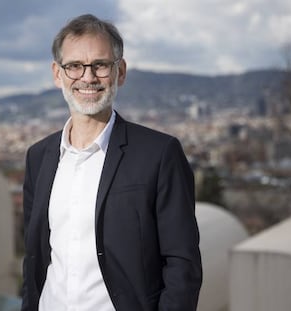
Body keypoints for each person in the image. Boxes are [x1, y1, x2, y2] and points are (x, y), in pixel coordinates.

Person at [21, 14, 202, 311]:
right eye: (74, 66)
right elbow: (34, 258)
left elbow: (183, 265)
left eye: (100, 65)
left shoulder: (159, 154)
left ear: (120, 72)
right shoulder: (38, 157)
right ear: (57, 74)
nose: (88, 77)